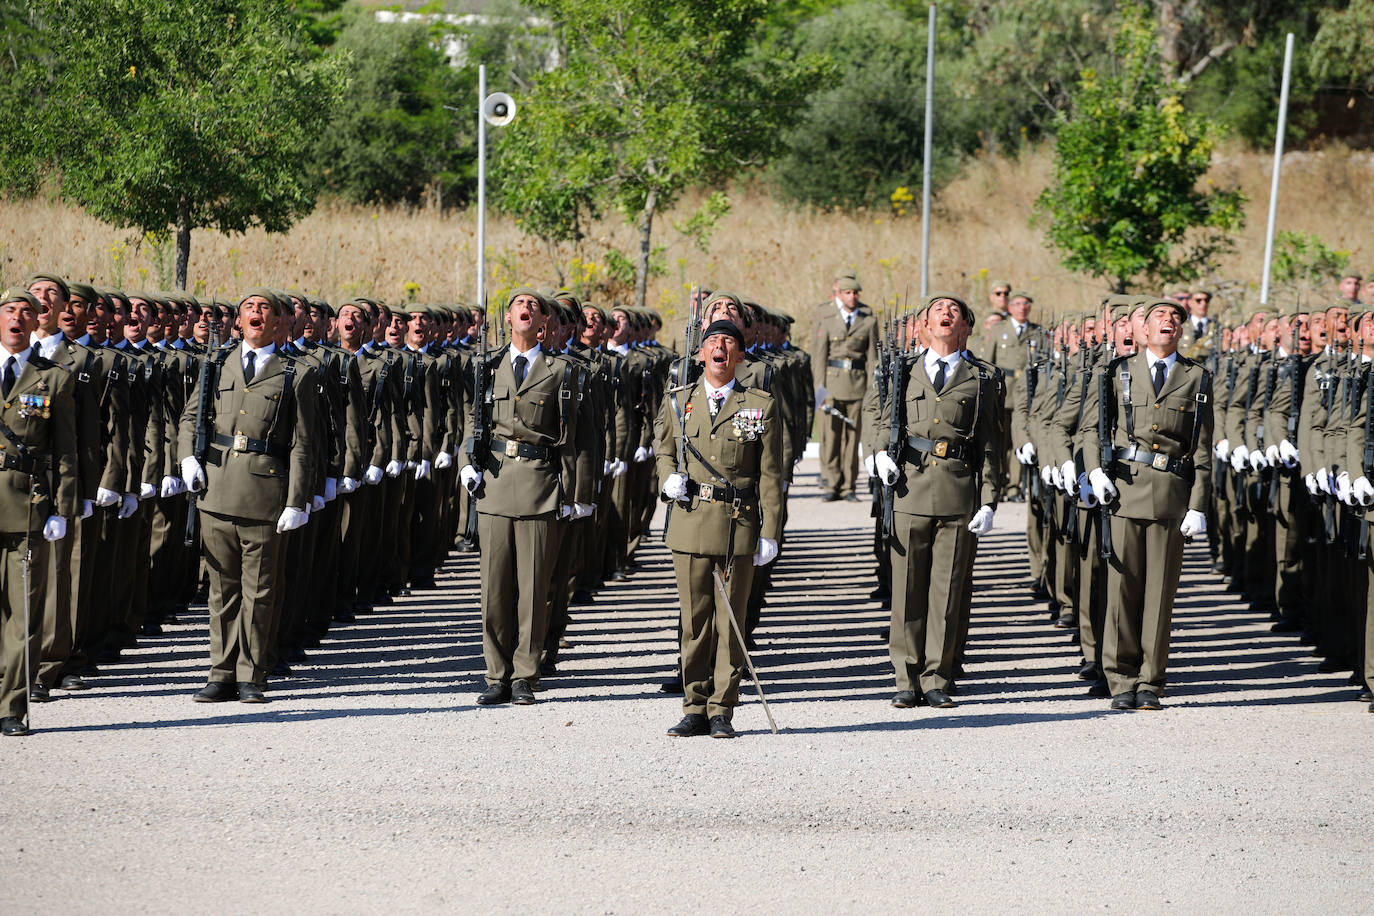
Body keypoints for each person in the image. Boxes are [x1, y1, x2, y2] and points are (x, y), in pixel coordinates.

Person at [177, 289, 318, 704]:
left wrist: (297, 500)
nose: (256, 314)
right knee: (221, 589)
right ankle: (220, 671)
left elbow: (303, 443)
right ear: (238, 320)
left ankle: (251, 673)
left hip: (265, 493)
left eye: (265, 310)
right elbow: (191, 418)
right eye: (248, 309)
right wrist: (186, 458)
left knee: (260, 590)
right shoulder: (216, 363)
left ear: (279, 322)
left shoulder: (297, 372)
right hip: (216, 489)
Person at [865, 293, 1003, 710]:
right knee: (907, 589)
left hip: (959, 489)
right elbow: (880, 417)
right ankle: (906, 677)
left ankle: (937, 676)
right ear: (922, 327)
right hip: (909, 486)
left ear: (966, 328)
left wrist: (991, 499)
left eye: (954, 312)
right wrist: (876, 454)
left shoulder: (983, 376)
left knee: (948, 590)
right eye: (937, 312)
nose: (945, 315)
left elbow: (994, 441)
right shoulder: (901, 370)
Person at [1077, 298, 1213, 711]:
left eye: (1175, 318)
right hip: (1123, 490)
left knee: (1160, 595)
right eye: (1158, 317)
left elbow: (1203, 449)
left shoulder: (1197, 377)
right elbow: (1089, 429)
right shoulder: (1115, 373)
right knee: (1121, 590)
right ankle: (1120, 680)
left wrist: (1199, 504)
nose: (1168, 322)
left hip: (1171, 493)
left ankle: (1151, 681)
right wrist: (1094, 472)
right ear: (1140, 330)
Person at [655, 319, 782, 738]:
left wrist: (770, 531)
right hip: (691, 521)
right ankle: (693, 704)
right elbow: (665, 448)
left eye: (729, 342)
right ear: (700, 354)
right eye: (712, 341)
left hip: (736, 524)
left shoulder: (759, 405)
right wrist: (668, 476)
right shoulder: (678, 400)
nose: (720, 347)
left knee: (730, 623)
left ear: (740, 356)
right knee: (694, 622)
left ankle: (722, 709)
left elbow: (770, 474)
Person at [460, 287, 583, 707]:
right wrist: (466, 464)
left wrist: (575, 492)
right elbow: (472, 421)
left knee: (533, 588)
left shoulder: (561, 371)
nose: (527, 310)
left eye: (535, 306)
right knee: (494, 587)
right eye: (519, 306)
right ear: (508, 319)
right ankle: (496, 673)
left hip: (538, 483)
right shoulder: (486, 366)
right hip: (494, 484)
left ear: (545, 323)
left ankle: (525, 675)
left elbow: (574, 437)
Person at [0, 288, 79, 736]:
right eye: (10, 310)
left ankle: (11, 706)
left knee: (23, 614)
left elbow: (65, 452)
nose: (18, 318)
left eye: (26, 313)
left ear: (35, 325)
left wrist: (61, 509)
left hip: (28, 508)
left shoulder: (55, 378)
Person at [810, 274, 877, 502]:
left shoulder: (868, 319)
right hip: (831, 385)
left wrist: (871, 392)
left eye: (855, 293)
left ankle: (848, 486)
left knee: (852, 439)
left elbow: (871, 359)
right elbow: (818, 357)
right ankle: (831, 483)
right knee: (830, 437)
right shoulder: (827, 317)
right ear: (839, 294)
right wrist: (820, 393)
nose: (853, 297)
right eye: (848, 293)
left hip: (857, 387)